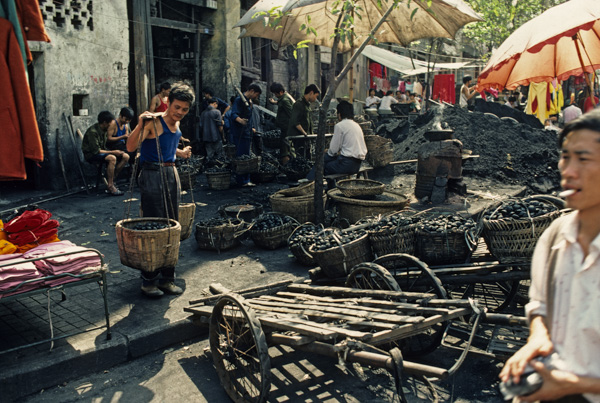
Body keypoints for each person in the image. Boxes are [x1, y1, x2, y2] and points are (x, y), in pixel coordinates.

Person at [499, 110, 600, 403]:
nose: (568, 170)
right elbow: (540, 304)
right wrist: (538, 338)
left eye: (583, 159)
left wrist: (570, 384)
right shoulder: (556, 235)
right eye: (565, 157)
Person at [126, 82, 194, 298]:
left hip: (171, 174)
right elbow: (129, 147)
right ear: (168, 103)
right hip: (152, 175)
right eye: (177, 107)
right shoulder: (153, 123)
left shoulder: (177, 126)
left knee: (171, 225)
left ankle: (167, 279)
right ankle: (148, 282)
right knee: (153, 226)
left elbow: (167, 146)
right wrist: (139, 123)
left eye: (184, 109)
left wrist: (180, 153)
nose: (180, 112)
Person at [306, 101, 367, 183]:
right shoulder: (356, 125)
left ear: (339, 114)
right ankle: (310, 181)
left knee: (323, 163)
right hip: (357, 164)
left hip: (346, 164)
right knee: (326, 160)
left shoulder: (340, 125)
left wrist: (327, 152)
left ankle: (311, 183)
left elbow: (333, 151)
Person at [81, 111, 130, 196]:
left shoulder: (104, 130)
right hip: (91, 155)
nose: (111, 125)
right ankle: (110, 186)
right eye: (110, 123)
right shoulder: (93, 132)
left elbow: (104, 147)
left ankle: (112, 179)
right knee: (112, 158)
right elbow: (96, 151)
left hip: (102, 151)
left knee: (125, 156)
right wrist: (113, 152)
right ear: (104, 123)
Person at [229, 83, 262, 187]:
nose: (257, 97)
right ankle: (241, 181)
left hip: (247, 133)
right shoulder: (239, 100)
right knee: (241, 157)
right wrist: (240, 121)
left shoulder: (248, 102)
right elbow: (233, 114)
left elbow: (249, 116)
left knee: (247, 157)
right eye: (256, 94)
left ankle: (246, 180)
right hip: (240, 134)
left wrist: (251, 127)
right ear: (252, 91)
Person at [288, 84, 320, 159]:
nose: (316, 99)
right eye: (316, 96)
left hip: (305, 138)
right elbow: (295, 121)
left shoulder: (306, 105)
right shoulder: (298, 104)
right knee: (301, 158)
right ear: (311, 93)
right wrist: (305, 133)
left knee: (307, 157)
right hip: (299, 137)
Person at [269, 82, 295, 165]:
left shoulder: (284, 100)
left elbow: (291, 113)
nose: (275, 96)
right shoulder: (285, 96)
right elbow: (281, 103)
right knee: (286, 146)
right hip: (285, 127)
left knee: (285, 148)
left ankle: (287, 166)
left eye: (275, 94)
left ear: (280, 92)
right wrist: (274, 102)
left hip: (286, 127)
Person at [199, 98, 225, 165]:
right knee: (219, 156)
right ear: (214, 103)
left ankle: (210, 169)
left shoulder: (203, 113)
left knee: (210, 156)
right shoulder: (217, 112)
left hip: (206, 138)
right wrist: (223, 136)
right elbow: (220, 126)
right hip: (216, 137)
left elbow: (201, 126)